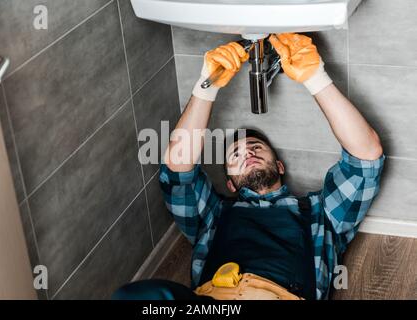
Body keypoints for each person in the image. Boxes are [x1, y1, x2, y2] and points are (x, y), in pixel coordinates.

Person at [114, 33, 385, 300]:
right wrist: (206, 87)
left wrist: (316, 78)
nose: (249, 153)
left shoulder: (322, 213)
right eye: (236, 155)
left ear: (279, 166)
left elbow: (366, 156)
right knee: (137, 297)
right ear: (230, 184)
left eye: (257, 147)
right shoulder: (212, 214)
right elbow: (177, 171)